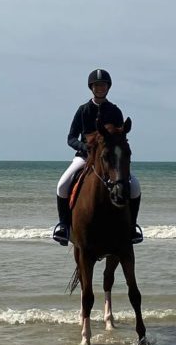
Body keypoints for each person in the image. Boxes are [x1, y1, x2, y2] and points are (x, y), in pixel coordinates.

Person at [52, 68, 142, 246]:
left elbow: (120, 136)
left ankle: (132, 227)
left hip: (108, 159)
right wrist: (84, 147)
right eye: (97, 85)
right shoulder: (83, 110)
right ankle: (63, 227)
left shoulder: (115, 111)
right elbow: (70, 137)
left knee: (135, 186)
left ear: (108, 87)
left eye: (103, 85)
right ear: (91, 87)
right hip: (85, 157)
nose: (100, 88)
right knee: (62, 185)